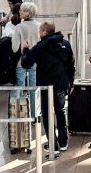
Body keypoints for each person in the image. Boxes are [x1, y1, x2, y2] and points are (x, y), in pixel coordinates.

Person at [20, 21, 74, 151]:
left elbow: (26, 63)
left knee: (47, 114)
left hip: (46, 86)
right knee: (60, 111)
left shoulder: (40, 46)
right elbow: (70, 65)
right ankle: (63, 142)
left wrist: (25, 50)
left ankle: (52, 144)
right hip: (61, 84)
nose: (39, 34)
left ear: (45, 32)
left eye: (40, 31)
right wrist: (70, 83)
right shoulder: (65, 44)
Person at [12, 3, 41, 96]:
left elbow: (14, 48)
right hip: (35, 61)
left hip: (21, 61)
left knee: (20, 88)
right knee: (34, 88)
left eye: (22, 10)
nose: (20, 11)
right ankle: (34, 110)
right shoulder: (39, 25)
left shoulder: (19, 27)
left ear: (28, 13)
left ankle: (21, 109)